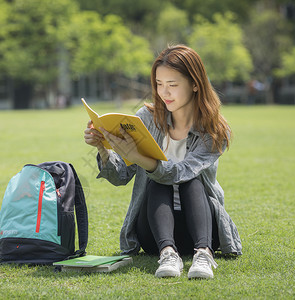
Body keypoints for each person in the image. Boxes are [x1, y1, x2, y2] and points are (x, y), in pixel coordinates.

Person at [83, 45, 242, 279]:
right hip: (155, 231)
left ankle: (203, 254)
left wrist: (139, 157)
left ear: (195, 84)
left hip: (203, 227)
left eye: (173, 85)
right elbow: (120, 177)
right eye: (159, 84)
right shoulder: (146, 118)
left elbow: (180, 172)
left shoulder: (214, 130)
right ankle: (168, 254)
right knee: (155, 181)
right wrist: (102, 148)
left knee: (188, 180)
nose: (164, 92)